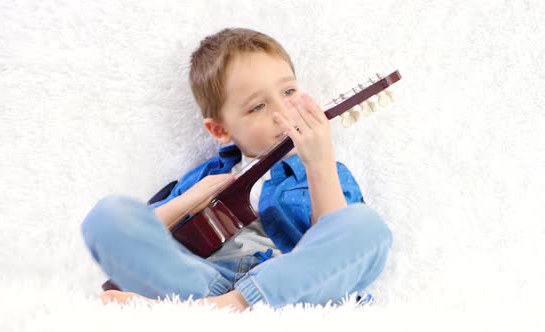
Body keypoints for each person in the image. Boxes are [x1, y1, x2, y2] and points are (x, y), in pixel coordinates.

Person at [81, 27, 392, 311]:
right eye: (258, 106)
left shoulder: (328, 169)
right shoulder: (205, 176)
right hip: (203, 284)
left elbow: (336, 244)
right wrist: (189, 199)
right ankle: (219, 307)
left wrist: (319, 164)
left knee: (368, 227)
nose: (281, 111)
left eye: (288, 92)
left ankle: (228, 308)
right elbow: (140, 231)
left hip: (287, 296)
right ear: (219, 130)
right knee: (107, 216)